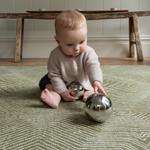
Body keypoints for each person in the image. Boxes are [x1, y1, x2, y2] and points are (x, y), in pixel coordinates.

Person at [39, 10, 106, 108]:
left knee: (91, 90)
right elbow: (55, 75)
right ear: (58, 41)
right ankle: (54, 99)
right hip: (63, 82)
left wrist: (96, 81)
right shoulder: (55, 54)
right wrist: (63, 92)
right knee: (52, 87)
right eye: (70, 44)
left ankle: (89, 96)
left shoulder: (89, 52)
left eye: (81, 42)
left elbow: (93, 67)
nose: (77, 48)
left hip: (84, 82)